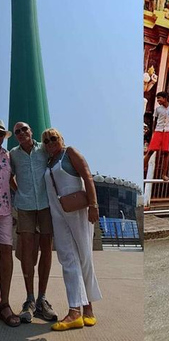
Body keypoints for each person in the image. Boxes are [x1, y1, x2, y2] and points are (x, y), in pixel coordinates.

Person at [40, 128, 102, 331]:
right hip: (58, 214)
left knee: (85, 257)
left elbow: (87, 176)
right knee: (68, 259)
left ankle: (88, 308)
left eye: (53, 138)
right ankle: (75, 310)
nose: (50, 142)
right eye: (46, 140)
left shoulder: (70, 152)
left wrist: (93, 205)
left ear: (61, 138)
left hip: (77, 210)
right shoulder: (48, 163)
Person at [9, 122, 57, 323]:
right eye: (17, 131)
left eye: (24, 129)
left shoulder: (44, 149)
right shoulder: (13, 154)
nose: (21, 133)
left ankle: (42, 300)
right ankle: (29, 299)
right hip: (25, 206)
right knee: (27, 251)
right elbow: (9, 176)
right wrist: (19, 191)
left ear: (32, 131)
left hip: (46, 204)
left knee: (46, 249)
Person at [0, 121, 19, 327]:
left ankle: (4, 303)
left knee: (6, 253)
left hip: (5, 211)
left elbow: (11, 180)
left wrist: (21, 196)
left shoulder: (7, 155)